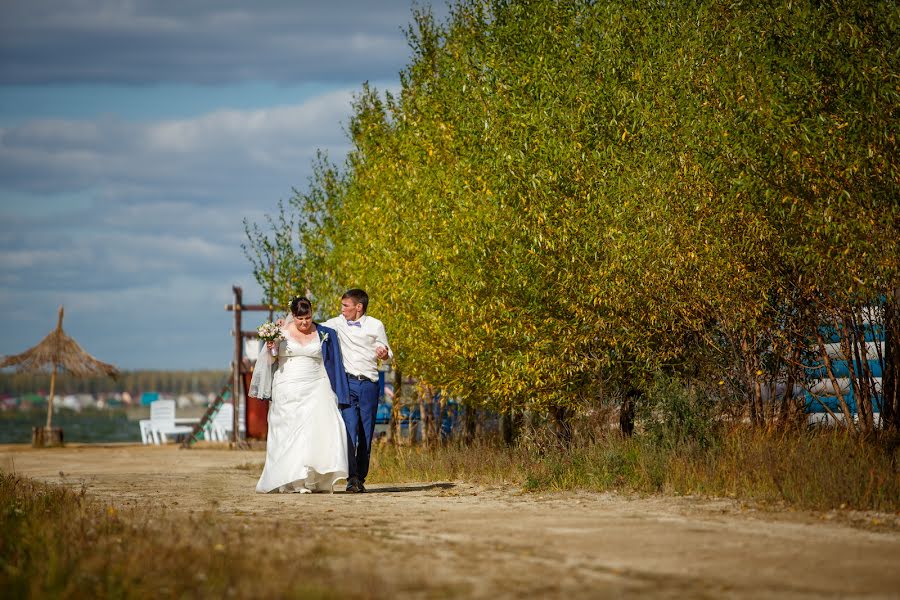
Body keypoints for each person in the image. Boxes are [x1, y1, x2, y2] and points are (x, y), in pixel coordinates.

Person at [250, 296, 349, 494]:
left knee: (316, 431)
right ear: (292, 316)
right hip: (288, 388)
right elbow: (269, 362)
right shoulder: (280, 333)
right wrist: (271, 348)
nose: (304, 323)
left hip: (316, 386)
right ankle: (294, 480)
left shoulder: (322, 333)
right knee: (290, 433)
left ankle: (312, 477)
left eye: (308, 318)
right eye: (300, 318)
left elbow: (328, 360)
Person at [324, 288, 392, 493]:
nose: (342, 309)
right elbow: (312, 326)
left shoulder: (375, 325)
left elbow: (387, 352)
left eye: (346, 305)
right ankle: (351, 477)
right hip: (347, 385)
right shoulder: (336, 323)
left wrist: (383, 353)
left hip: (370, 384)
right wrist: (290, 322)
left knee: (365, 433)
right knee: (348, 430)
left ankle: (360, 477)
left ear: (358, 307)